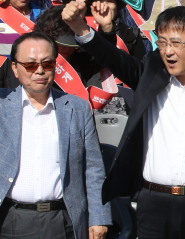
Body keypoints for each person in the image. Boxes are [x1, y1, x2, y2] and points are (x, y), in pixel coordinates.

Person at [61, 2, 185, 239]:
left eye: (176, 43)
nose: (168, 51)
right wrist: (80, 28)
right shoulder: (150, 78)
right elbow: (113, 57)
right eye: (163, 42)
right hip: (152, 205)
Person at [0, 32, 111, 239]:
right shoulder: (2, 106)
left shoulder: (77, 108)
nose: (40, 71)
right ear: (15, 68)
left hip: (63, 219)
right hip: (10, 219)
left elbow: (93, 168)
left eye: (47, 63)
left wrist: (99, 217)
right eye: (30, 65)